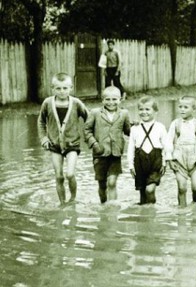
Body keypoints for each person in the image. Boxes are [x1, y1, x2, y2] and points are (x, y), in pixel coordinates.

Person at [37, 72, 89, 206]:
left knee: (70, 174)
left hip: (72, 144)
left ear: (71, 88)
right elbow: (41, 122)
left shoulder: (76, 103)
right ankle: (62, 203)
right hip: (54, 145)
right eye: (58, 88)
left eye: (65, 88)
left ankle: (73, 199)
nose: (62, 91)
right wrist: (43, 138)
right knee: (59, 176)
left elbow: (89, 119)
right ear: (52, 88)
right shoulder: (47, 103)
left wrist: (91, 137)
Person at [83, 86, 131, 204]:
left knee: (112, 182)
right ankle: (103, 204)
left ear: (120, 99)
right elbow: (86, 130)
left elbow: (128, 131)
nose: (111, 102)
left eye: (114, 99)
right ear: (102, 100)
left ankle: (113, 208)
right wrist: (94, 144)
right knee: (103, 184)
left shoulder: (124, 113)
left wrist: (140, 128)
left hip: (116, 153)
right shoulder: (95, 113)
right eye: (107, 99)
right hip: (99, 153)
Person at [165, 96, 196, 207]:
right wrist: (169, 159)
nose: (182, 109)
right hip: (179, 160)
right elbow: (168, 142)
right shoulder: (175, 124)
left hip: (195, 160)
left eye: (186, 107)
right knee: (182, 187)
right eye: (180, 107)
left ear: (194, 108)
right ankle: (182, 209)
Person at [127, 96, 168, 205]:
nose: (144, 112)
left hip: (155, 161)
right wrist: (130, 165)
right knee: (142, 192)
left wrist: (164, 163)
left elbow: (166, 146)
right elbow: (130, 148)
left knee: (150, 190)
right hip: (139, 162)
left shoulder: (160, 127)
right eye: (141, 109)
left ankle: (152, 210)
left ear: (155, 111)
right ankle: (145, 217)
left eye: (147, 109)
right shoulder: (135, 128)